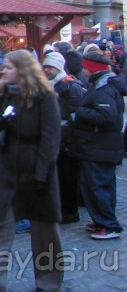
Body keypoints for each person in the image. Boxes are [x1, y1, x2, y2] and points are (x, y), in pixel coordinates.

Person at [0, 49, 63, 292]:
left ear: (23, 70)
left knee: (45, 230)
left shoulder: (45, 97)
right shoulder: (2, 93)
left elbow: (51, 139)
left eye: (9, 67)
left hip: (37, 168)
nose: (3, 71)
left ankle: (48, 282)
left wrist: (42, 175)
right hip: (8, 168)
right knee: (1, 225)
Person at [69, 51, 124, 240]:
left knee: (98, 185)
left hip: (100, 146)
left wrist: (80, 112)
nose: (82, 71)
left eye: (85, 68)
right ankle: (102, 221)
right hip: (99, 146)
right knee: (99, 185)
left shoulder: (104, 90)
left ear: (91, 69)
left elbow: (107, 117)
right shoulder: (100, 86)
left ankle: (109, 225)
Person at [41, 50, 85, 224]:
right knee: (57, 175)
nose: (47, 70)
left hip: (67, 140)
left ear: (58, 67)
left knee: (68, 177)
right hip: (55, 138)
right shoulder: (49, 85)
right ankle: (60, 209)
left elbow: (74, 114)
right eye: (45, 66)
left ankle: (70, 211)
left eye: (50, 67)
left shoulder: (70, 86)